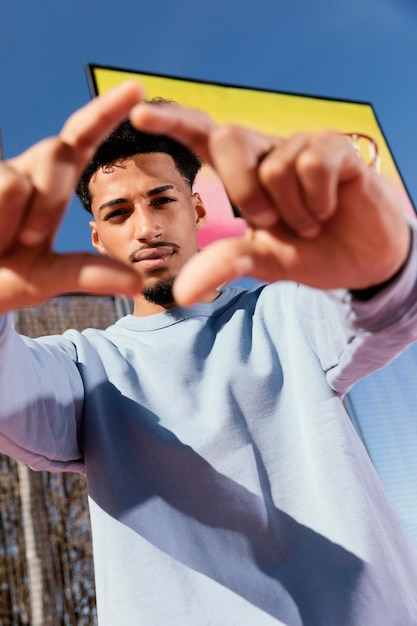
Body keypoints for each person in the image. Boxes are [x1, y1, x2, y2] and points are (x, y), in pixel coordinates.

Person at [1, 80, 417, 625]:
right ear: (98, 237)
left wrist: (385, 259)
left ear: (196, 209)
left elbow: (386, 307)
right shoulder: (80, 366)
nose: (146, 228)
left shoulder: (284, 313)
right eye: (119, 212)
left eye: (161, 200)